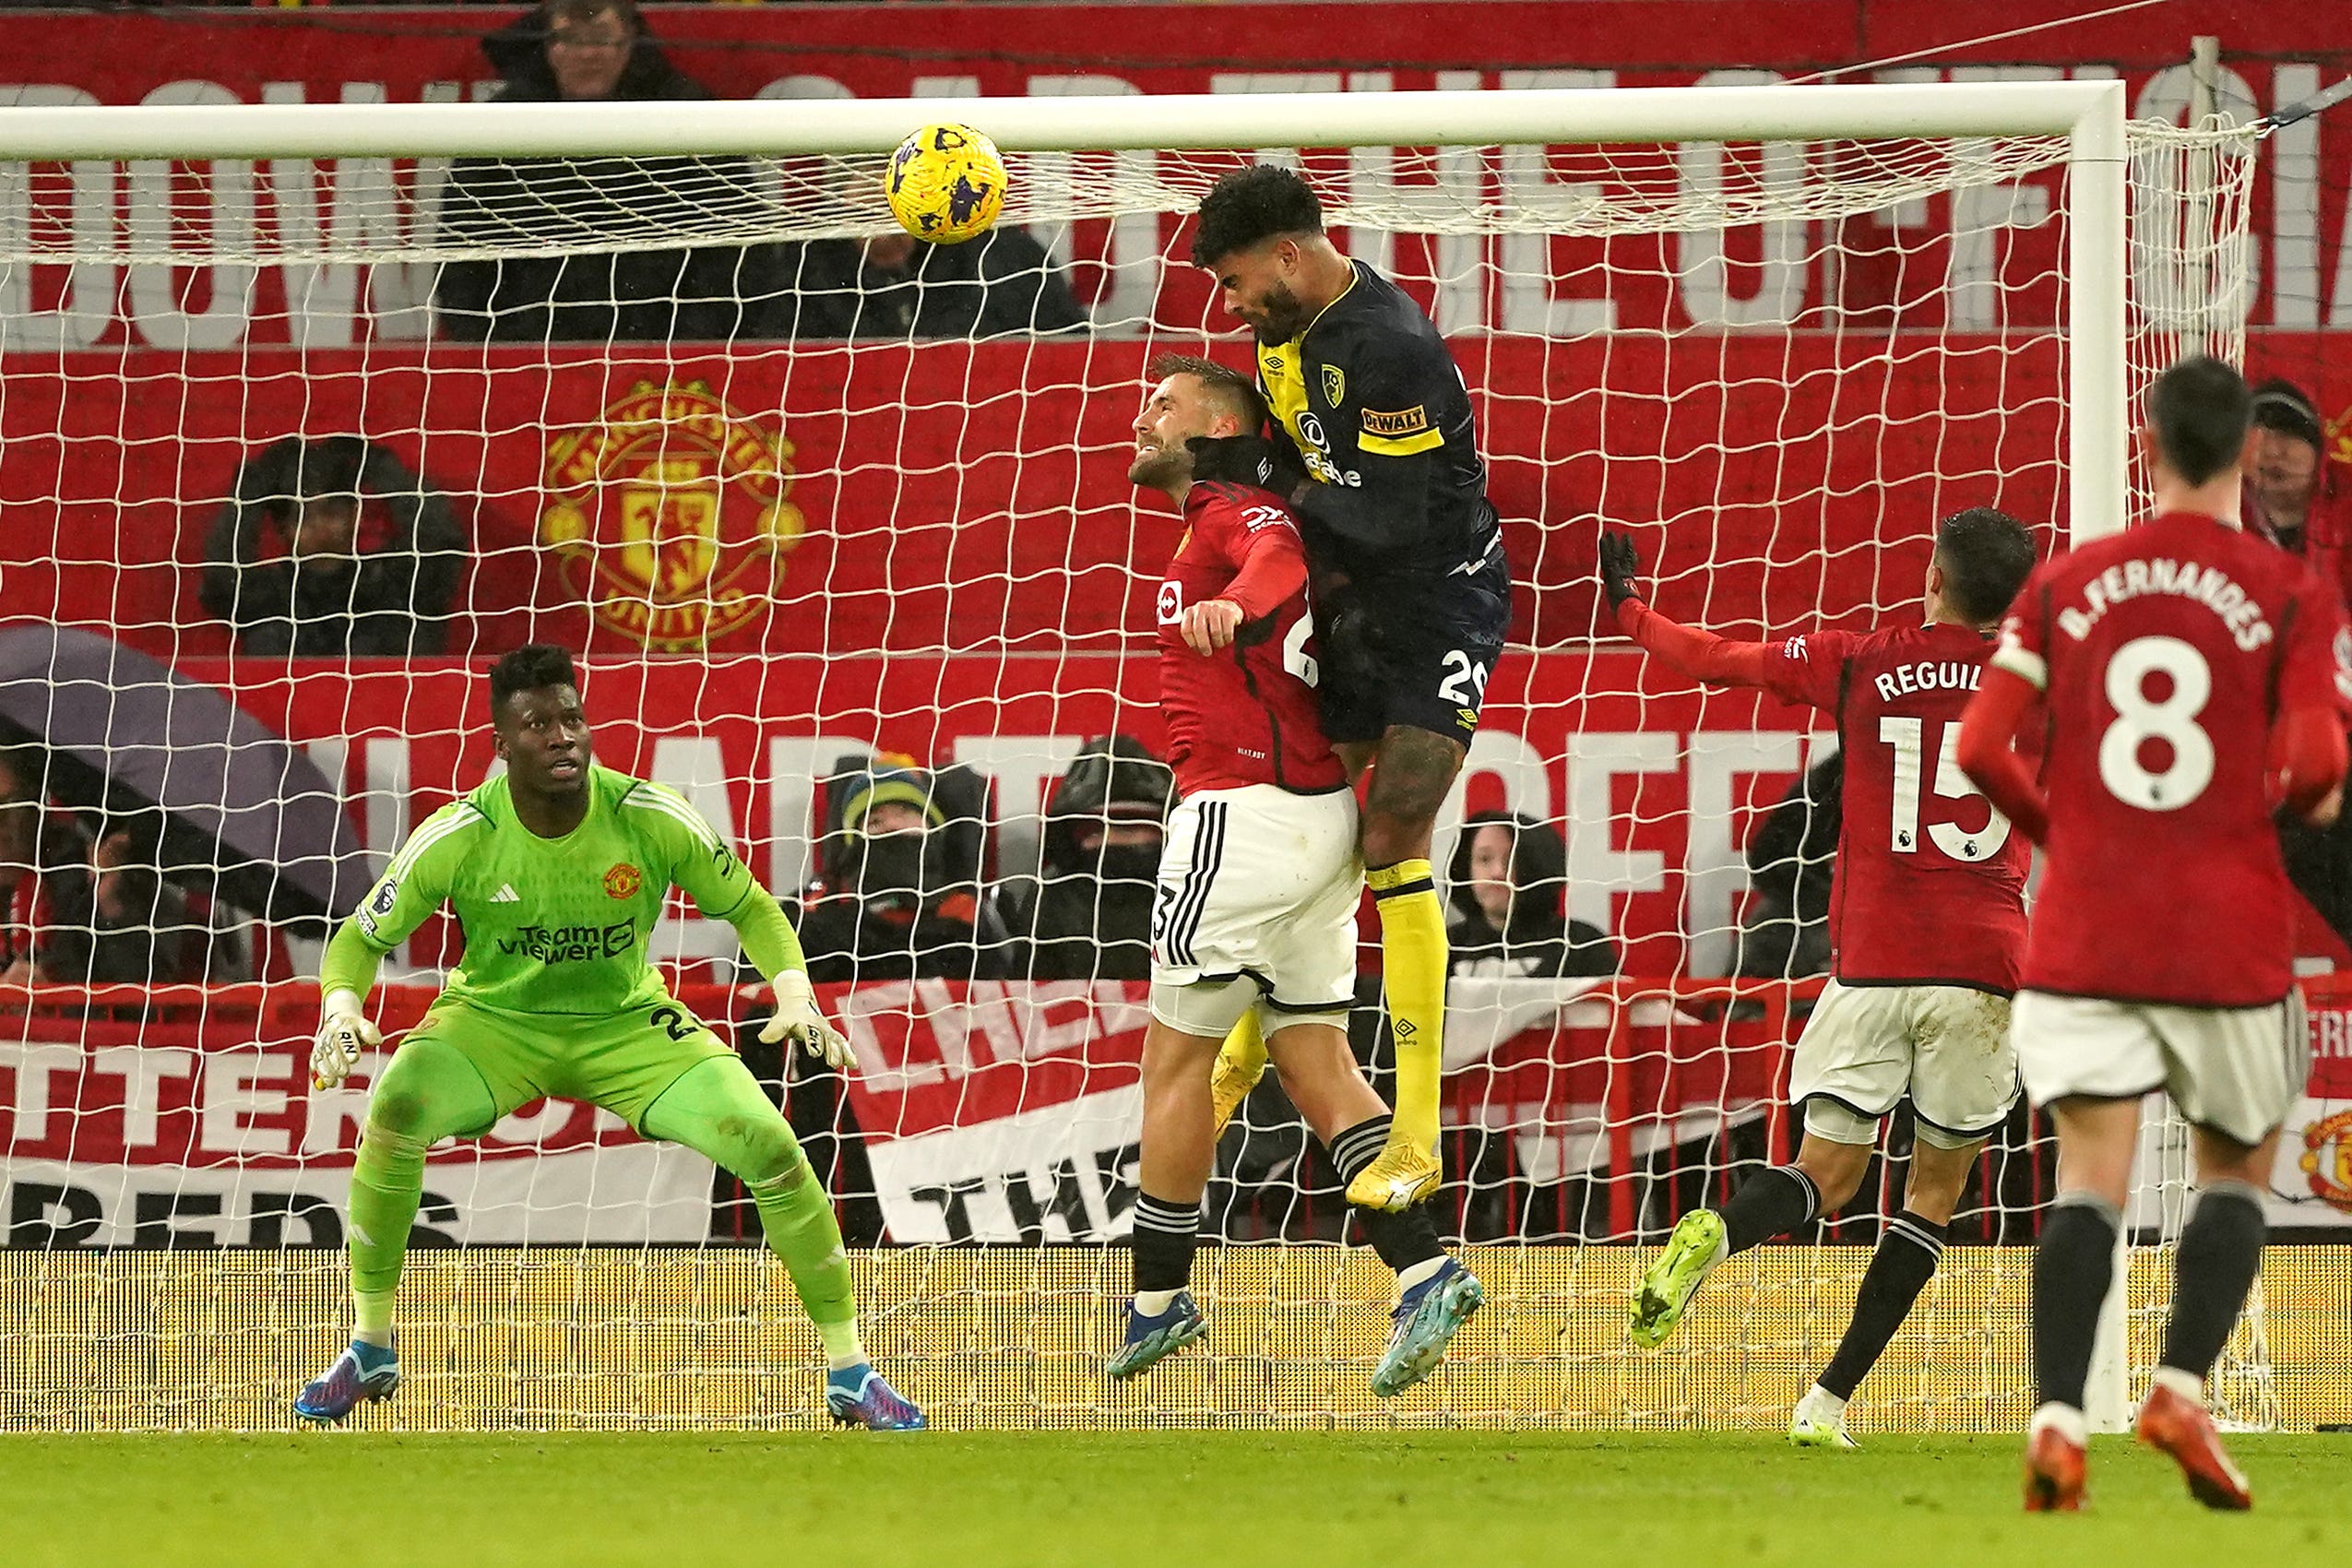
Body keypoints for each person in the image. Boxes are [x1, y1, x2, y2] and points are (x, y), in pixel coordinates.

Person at [294, 644, 922, 1431]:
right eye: (538, 725)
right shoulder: (459, 833)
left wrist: (794, 991)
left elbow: (756, 909)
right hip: (496, 1024)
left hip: (628, 1026)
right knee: (396, 1109)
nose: (562, 737)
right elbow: (357, 938)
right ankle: (371, 1347)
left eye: (573, 719)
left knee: (769, 1142)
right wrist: (341, 1007)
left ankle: (851, 1371)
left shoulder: (647, 815)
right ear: (502, 744)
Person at [1957, 355, 2349, 1512]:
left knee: (2089, 1176)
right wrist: (2282, 807)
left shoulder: (2066, 581)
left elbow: (1981, 749)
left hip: (2085, 928)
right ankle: (2180, 1384)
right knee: (2238, 1166)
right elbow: (2324, 765)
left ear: (2148, 440)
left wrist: (2064, 831)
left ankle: (2056, 1418)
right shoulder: (2286, 590)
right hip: (2224, 926)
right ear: (2242, 451)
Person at [1603, 506, 2038, 1451]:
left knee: (1822, 1174)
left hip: (1871, 964)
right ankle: (1827, 1400)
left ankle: (1715, 1228)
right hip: (1981, 969)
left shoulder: (1864, 659)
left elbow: (1719, 657)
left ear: (1933, 575)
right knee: (1931, 1193)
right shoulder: (2040, 685)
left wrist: (1631, 608)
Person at [1107, 353, 1481, 1396]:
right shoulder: (1216, 518)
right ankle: (1424, 1267)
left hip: (1243, 816)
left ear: (1219, 424)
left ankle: (1158, 1297)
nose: (1143, 416)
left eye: (1165, 405)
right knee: (1314, 1057)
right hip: (1315, 826)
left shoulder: (1240, 510)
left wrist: (1243, 609)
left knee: (1175, 1066)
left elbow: (1273, 558)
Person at [1189, 165, 1515, 1212]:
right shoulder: (1277, 331)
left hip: (1439, 600)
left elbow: (1395, 520)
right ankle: (1242, 1052)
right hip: (1350, 602)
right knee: (1336, 829)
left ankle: (1416, 1135)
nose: (1233, 305)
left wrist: (1263, 476)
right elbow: (1306, 474)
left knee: (1397, 826)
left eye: (1240, 281)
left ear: (1291, 255)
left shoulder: (1394, 348)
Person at [434, 0, 780, 344]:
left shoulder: (690, 119)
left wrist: (682, 347)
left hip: (670, 370)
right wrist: (509, 354)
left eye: (600, 38)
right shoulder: (497, 129)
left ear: (628, 38)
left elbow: (739, 257)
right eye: (570, 38)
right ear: (547, 43)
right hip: (527, 367)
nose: (586, 54)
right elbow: (460, 267)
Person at [200, 435, 462, 658]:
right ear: (284, 530)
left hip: (389, 709)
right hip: (282, 714)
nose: (319, 528)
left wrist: (376, 464)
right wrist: (253, 486)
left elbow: (440, 542)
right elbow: (222, 573)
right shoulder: (271, 598)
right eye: (302, 517)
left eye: (331, 512)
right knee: (269, 631)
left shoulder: (391, 585)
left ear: (355, 514)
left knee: (404, 625)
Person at [793, 758, 1008, 983]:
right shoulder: (817, 908)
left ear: (932, 826)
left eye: (905, 812)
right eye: (875, 821)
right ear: (852, 842)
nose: (893, 825)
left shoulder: (970, 909)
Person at [995, 735, 1172, 981]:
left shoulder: (1193, 893)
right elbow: (1030, 994)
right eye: (1097, 829)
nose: (1113, 840)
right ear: (1074, 835)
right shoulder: (1051, 895)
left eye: (1129, 827)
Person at [783, 229, 1088, 340]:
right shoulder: (807, 269)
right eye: (867, 187)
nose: (884, 206)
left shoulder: (1005, 257)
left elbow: (1073, 353)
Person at [1444, 812, 1614, 980]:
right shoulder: (1445, 946)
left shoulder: (1582, 945)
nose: (1498, 872)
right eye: (1485, 859)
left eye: (1512, 859)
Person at [2242, 377, 2342, 593]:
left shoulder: (2345, 502)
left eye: (2286, 435)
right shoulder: (2227, 512)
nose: (2272, 451)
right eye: (2259, 437)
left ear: (2317, 450)